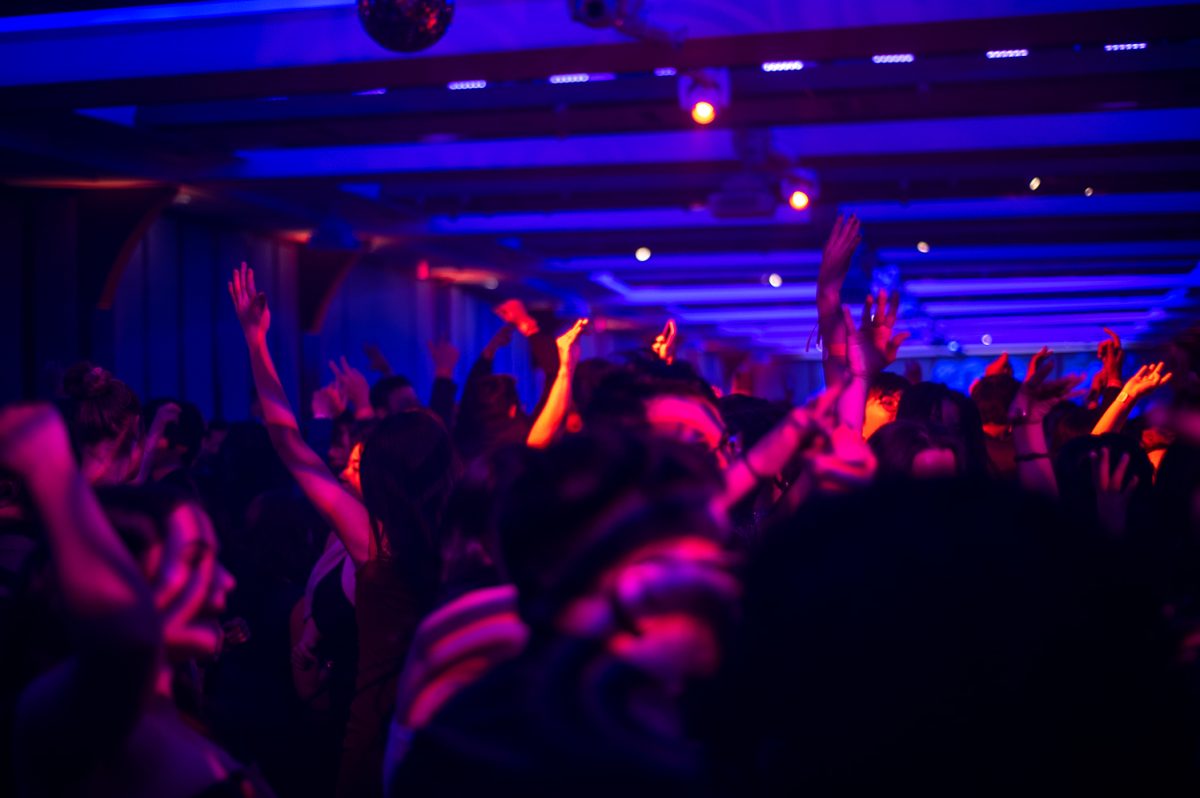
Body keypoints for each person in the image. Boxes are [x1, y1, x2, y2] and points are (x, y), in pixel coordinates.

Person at [392, 433, 739, 797]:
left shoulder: (463, 727)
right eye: (708, 568)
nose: (726, 590)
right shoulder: (641, 759)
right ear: (643, 588)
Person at [3, 404, 271, 797]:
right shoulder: (75, 716)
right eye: (195, 559)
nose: (225, 582)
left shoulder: (171, 708)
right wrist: (49, 465)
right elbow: (127, 642)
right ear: (123, 578)